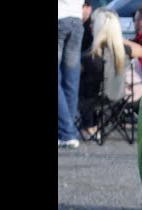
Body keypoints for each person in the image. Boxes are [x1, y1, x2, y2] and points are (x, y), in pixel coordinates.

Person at [79, 7, 135, 139]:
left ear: (100, 28)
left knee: (80, 83)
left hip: (95, 100)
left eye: (93, 23)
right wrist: (118, 39)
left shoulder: (90, 56)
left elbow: (73, 77)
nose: (90, 26)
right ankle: (92, 125)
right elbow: (141, 50)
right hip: (118, 97)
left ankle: (88, 126)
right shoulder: (123, 52)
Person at [59, 0, 86, 148]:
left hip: (59, 18)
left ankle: (66, 132)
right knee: (71, 81)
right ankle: (68, 134)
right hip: (76, 20)